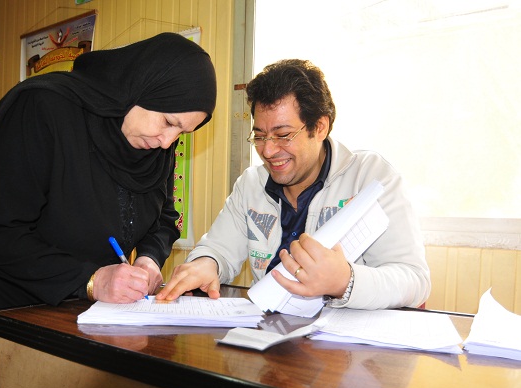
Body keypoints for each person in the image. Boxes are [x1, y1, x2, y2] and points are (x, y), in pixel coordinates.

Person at [0, 33, 217, 388]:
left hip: (89, 312)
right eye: (168, 122)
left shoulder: (155, 149)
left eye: (182, 133)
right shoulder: (42, 108)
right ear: (138, 87)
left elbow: (166, 216)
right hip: (13, 309)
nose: (168, 142)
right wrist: (91, 279)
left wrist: (149, 259)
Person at [158, 59, 430, 310]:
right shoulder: (251, 184)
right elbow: (218, 249)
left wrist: (345, 281)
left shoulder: (370, 177)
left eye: (283, 135)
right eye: (260, 136)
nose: (268, 151)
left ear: (320, 127)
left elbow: (414, 280)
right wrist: (207, 264)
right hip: (265, 332)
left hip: (339, 338)